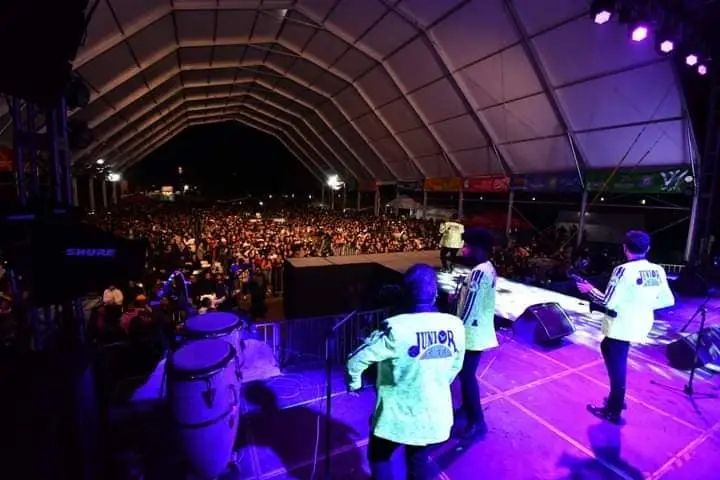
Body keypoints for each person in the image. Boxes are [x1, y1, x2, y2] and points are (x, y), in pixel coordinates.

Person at [346, 264, 465, 480]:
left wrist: (355, 384)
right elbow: (456, 366)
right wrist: (435, 383)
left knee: (379, 455)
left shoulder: (396, 328)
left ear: (405, 294)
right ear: (436, 292)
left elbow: (355, 360)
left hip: (396, 417)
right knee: (418, 458)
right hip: (433, 417)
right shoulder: (456, 325)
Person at [575, 230, 674, 424]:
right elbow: (667, 300)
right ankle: (617, 398)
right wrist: (641, 305)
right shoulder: (658, 270)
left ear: (625, 248)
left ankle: (614, 408)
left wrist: (589, 290)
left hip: (621, 326)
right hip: (641, 324)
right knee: (612, 351)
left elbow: (608, 302)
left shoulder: (623, 270)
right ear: (648, 248)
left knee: (616, 363)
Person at [453, 227, 498, 443]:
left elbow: (470, 308)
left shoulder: (479, 272)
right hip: (478, 332)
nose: (464, 249)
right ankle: (467, 407)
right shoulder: (488, 268)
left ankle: (477, 421)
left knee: (467, 377)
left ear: (478, 249)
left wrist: (456, 331)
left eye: (467, 246)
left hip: (470, 334)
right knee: (466, 375)